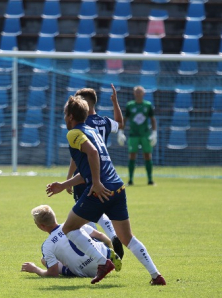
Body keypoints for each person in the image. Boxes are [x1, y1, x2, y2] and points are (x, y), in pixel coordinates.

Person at [46, 95, 166, 285]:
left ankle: (103, 262)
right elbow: (89, 167)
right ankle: (156, 275)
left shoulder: (73, 134)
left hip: (99, 190)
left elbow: (93, 154)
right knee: (127, 237)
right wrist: (64, 185)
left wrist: (95, 183)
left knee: (69, 227)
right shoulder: (92, 131)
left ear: (69, 116)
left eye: (64, 114)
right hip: (117, 186)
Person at [67, 85, 124, 258]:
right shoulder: (104, 121)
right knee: (95, 210)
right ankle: (112, 237)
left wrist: (68, 178)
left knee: (84, 214)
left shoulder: (83, 124)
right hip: (105, 171)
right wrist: (115, 103)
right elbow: (121, 124)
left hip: (86, 171)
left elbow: (77, 156)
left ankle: (98, 254)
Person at [21, 205, 122, 278]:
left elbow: (53, 273)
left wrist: (34, 269)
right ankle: (109, 254)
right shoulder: (72, 224)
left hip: (87, 271)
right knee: (92, 237)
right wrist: (110, 246)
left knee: (44, 260)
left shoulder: (47, 245)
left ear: (42, 226)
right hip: (104, 256)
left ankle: (79, 265)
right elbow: (101, 236)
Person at [117, 86, 157, 186]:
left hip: (145, 134)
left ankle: (150, 180)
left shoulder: (148, 105)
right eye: (137, 92)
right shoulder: (130, 105)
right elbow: (125, 119)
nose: (138, 93)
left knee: (147, 155)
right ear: (134, 94)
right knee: (132, 156)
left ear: (144, 93)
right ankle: (130, 180)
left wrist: (154, 133)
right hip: (133, 134)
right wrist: (120, 131)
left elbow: (152, 119)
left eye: (140, 92)